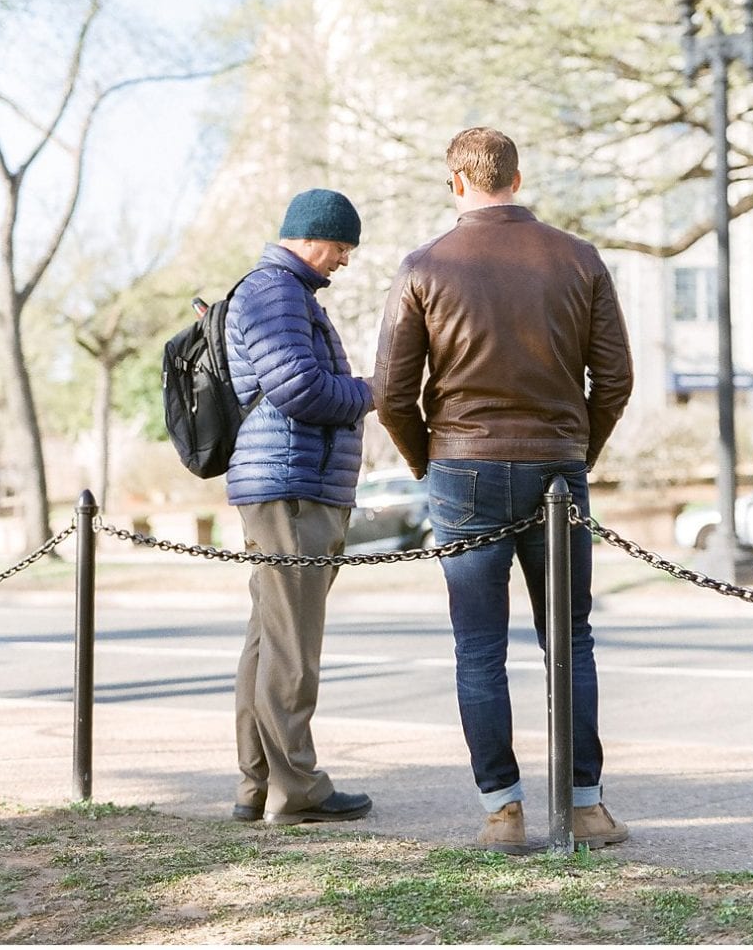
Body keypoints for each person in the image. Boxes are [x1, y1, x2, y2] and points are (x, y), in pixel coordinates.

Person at [374, 127, 634, 853]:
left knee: (478, 650)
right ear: (517, 179)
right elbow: (614, 379)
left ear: (456, 182)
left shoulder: (424, 267)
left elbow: (393, 392)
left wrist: (428, 462)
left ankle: (503, 811)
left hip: (464, 467)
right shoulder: (578, 259)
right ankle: (585, 806)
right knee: (570, 641)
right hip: (559, 462)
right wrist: (578, 448)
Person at [225, 189, 376, 825]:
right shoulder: (275, 292)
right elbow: (300, 389)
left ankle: (259, 784)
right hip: (292, 487)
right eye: (341, 246)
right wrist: (376, 390)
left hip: (286, 483)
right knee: (292, 646)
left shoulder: (284, 293)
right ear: (311, 236)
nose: (343, 259)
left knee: (268, 640)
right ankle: (298, 790)